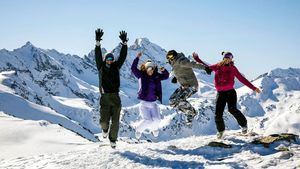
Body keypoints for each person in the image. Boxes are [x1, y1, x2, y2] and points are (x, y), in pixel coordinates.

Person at [193, 52, 261, 139]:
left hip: (230, 92)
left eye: (229, 58)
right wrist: (197, 59)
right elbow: (206, 66)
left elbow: (242, 79)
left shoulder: (233, 68)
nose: (227, 59)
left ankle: (244, 125)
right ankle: (221, 131)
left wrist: (253, 88)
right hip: (221, 93)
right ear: (223, 58)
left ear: (231, 59)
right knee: (218, 114)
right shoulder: (217, 66)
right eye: (226, 57)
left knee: (232, 109)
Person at [94, 28, 128, 148]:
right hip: (105, 97)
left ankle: (113, 140)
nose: (109, 60)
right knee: (104, 121)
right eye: (107, 59)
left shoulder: (116, 67)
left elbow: (123, 56)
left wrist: (124, 44)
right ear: (105, 60)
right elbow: (97, 56)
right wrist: (98, 42)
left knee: (116, 121)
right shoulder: (101, 67)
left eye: (111, 59)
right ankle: (104, 130)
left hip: (115, 96)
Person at [166, 50, 211, 124]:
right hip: (184, 86)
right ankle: (188, 112)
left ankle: (192, 113)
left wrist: (205, 68)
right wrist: (175, 77)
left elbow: (193, 64)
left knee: (180, 99)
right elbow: (179, 71)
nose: (170, 58)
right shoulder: (174, 64)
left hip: (191, 86)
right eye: (168, 57)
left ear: (175, 55)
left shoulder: (181, 61)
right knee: (172, 101)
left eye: (171, 56)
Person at [131, 52, 169, 139]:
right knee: (147, 120)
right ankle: (138, 130)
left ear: (153, 69)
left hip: (153, 103)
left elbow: (166, 76)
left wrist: (163, 70)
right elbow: (133, 68)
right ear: (146, 69)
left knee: (157, 120)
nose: (150, 71)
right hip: (144, 104)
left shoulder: (156, 76)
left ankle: (154, 129)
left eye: (151, 69)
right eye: (148, 69)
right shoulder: (141, 75)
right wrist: (137, 58)